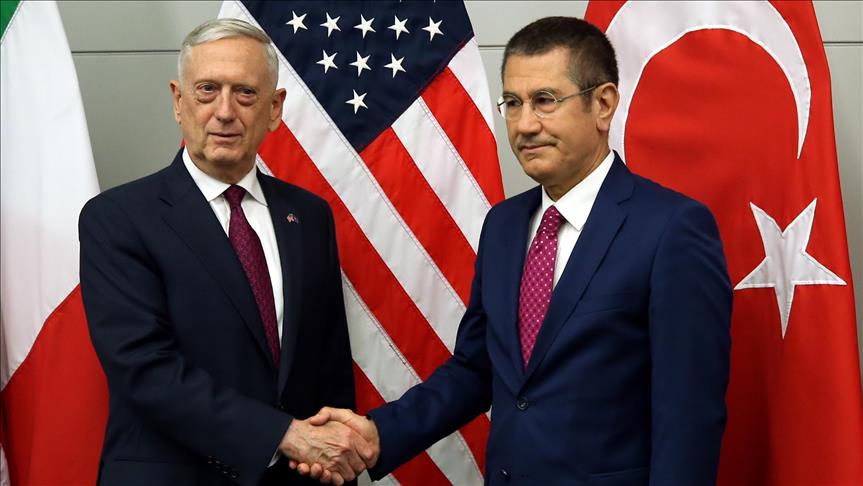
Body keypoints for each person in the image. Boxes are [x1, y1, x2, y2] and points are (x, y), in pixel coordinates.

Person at [297, 16, 732, 485]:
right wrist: (378, 434)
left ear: (603, 104)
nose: (524, 125)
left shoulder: (672, 229)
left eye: (545, 100)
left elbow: (688, 418)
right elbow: (476, 369)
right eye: (513, 103)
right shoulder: (503, 225)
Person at [79, 19, 373, 486]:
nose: (224, 112)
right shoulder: (117, 218)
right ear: (178, 101)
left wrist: (336, 464)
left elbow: (329, 369)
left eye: (245, 93)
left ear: (274, 109)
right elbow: (145, 369)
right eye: (207, 90)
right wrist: (283, 436)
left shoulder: (309, 216)